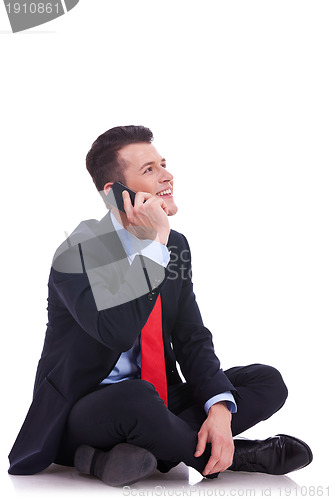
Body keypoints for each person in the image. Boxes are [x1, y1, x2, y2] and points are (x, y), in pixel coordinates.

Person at [8, 125, 312, 487]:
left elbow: (191, 336)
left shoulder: (177, 247)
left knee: (266, 381)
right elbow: (118, 332)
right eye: (149, 170)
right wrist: (158, 243)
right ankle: (234, 457)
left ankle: (133, 453)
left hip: (157, 397)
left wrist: (218, 410)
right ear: (114, 193)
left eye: (163, 164)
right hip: (86, 407)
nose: (167, 176)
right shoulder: (79, 252)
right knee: (136, 399)